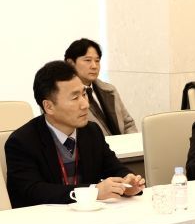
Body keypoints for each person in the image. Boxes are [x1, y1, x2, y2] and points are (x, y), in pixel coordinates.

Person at [5, 61, 145, 208]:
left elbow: (113, 167)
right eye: (74, 98)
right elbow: (33, 192)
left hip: (89, 216)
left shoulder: (91, 131)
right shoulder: (22, 142)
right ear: (49, 106)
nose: (85, 104)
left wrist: (128, 182)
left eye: (84, 94)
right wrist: (93, 192)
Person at [64, 38, 137, 135]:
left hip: (123, 144)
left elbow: (128, 123)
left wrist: (129, 142)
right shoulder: (64, 96)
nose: (94, 66)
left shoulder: (110, 90)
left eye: (97, 61)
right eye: (88, 60)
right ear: (71, 63)